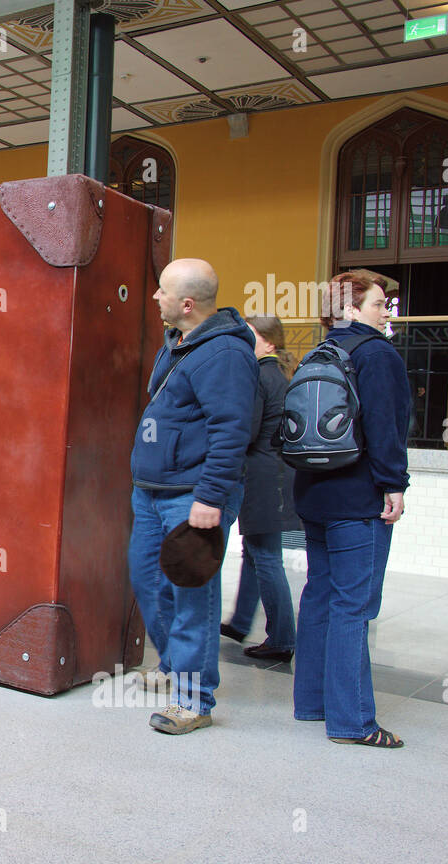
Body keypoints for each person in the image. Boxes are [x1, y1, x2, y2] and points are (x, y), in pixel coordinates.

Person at [128, 258, 258, 735]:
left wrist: (210, 496)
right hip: (152, 490)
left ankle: (193, 698)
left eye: (161, 291)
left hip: (193, 495)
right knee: (148, 581)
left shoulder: (224, 354)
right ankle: (172, 666)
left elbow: (230, 432)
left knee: (192, 596)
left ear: (186, 303)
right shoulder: (179, 343)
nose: (154, 298)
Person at [292, 272, 411, 748]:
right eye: (380, 304)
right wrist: (393, 485)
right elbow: (387, 426)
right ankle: (353, 722)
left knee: (320, 596)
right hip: (358, 500)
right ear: (353, 310)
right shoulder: (377, 354)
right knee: (353, 606)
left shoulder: (317, 353)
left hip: (314, 495)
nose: (388, 312)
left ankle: (312, 703)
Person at [222, 315, 302, 661]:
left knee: (266, 557)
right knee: (256, 551)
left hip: (262, 475)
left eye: (250, 336)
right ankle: (240, 622)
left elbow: (248, 430)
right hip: (281, 473)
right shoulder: (283, 374)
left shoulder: (259, 374)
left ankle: (283, 638)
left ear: (269, 342)